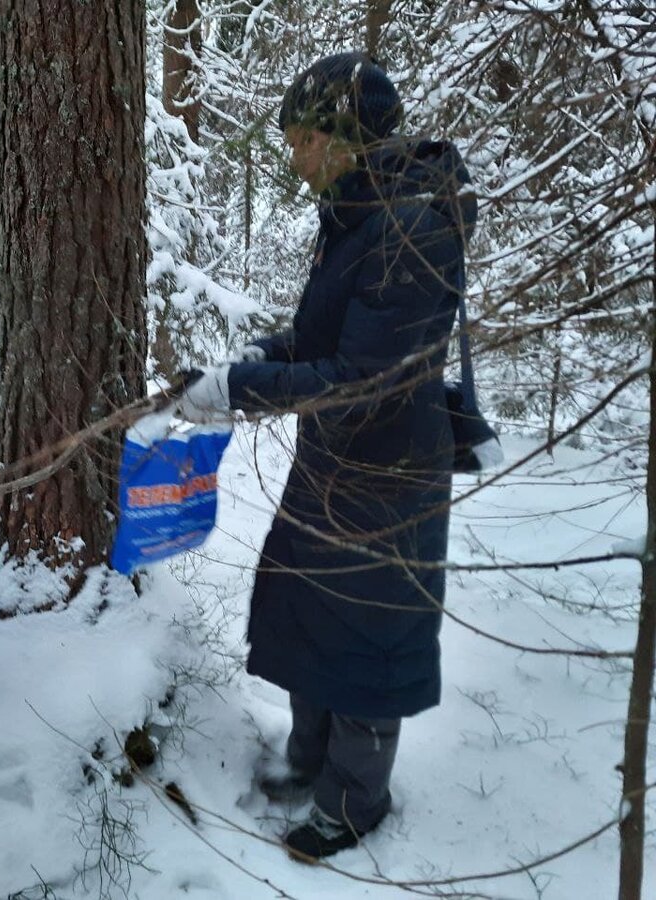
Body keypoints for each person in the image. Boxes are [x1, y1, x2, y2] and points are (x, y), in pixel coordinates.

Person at [174, 53, 476, 861]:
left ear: (345, 135)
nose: (293, 155)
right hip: (336, 462)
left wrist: (241, 384)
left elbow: (362, 382)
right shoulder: (357, 215)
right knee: (311, 607)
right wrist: (271, 348)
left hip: (386, 474)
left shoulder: (410, 228)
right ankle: (310, 760)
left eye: (304, 138)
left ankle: (353, 801)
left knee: (368, 634)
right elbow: (335, 337)